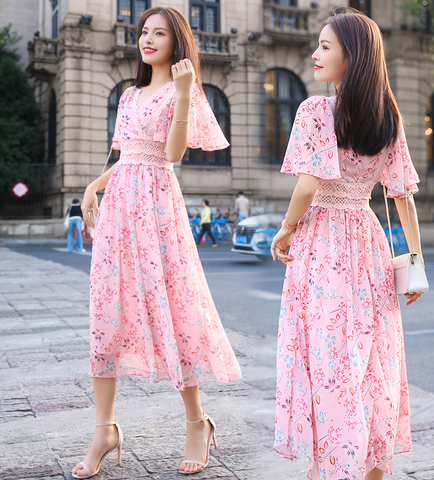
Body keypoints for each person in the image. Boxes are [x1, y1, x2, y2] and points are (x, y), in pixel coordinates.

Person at [74, 7, 241, 479]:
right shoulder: (129, 95)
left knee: (175, 310)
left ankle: (196, 422)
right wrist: (94, 185)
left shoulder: (179, 90)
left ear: (176, 41)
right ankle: (104, 429)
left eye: (159, 33)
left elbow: (168, 155)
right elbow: (129, 156)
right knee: (106, 311)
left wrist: (185, 94)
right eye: (143, 31)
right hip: (119, 209)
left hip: (157, 209)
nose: (147, 39)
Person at [270, 8, 424, 480]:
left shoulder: (316, 110)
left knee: (327, 360)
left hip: (324, 244)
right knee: (368, 361)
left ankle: (334, 467)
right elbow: (402, 198)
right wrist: (415, 262)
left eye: (325, 46)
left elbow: (309, 184)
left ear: (351, 55)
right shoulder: (388, 118)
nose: (315, 54)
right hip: (368, 239)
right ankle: (370, 467)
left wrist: (285, 229)